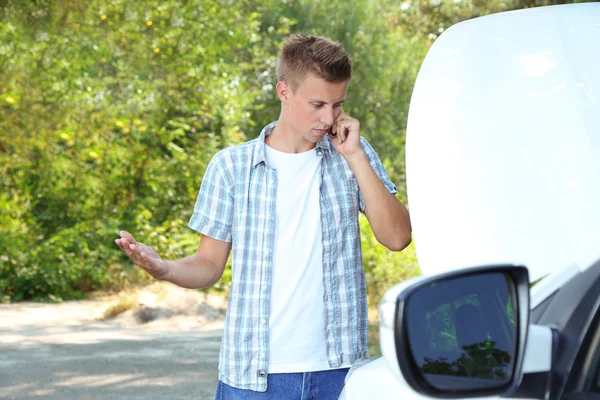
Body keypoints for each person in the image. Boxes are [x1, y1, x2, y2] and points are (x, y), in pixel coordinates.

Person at [115, 33, 412, 399]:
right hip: (254, 379)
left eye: (338, 104)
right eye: (317, 103)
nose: (328, 117)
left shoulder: (353, 154)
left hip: (339, 374)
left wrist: (354, 156)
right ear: (284, 91)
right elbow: (208, 265)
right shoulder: (231, 167)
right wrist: (164, 269)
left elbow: (397, 238)